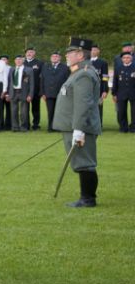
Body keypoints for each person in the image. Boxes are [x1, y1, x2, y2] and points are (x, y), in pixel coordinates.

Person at [51, 37, 102, 208]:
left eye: (70, 52)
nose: (67, 55)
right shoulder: (78, 72)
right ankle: (86, 197)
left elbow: (83, 104)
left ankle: (88, 199)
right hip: (73, 126)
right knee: (80, 162)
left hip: (81, 127)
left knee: (84, 162)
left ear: (80, 54)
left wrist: (78, 130)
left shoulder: (84, 74)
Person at [42, 51, 68, 132]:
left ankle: (59, 127)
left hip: (60, 93)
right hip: (48, 93)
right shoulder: (46, 66)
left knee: (59, 111)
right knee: (50, 111)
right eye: (53, 56)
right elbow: (42, 80)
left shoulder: (65, 67)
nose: (54, 58)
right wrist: (42, 93)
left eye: (56, 56)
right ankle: (50, 127)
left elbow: (67, 81)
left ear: (60, 58)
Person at [6, 54, 35, 131]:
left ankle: (24, 127)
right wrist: (8, 94)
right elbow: (9, 82)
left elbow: (32, 83)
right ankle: (15, 127)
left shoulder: (29, 70)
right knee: (13, 111)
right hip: (13, 92)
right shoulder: (12, 69)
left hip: (23, 92)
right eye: (17, 60)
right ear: (15, 61)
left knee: (24, 111)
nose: (18, 61)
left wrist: (30, 95)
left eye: (20, 59)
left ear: (23, 60)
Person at [112, 50, 134, 133]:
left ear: (131, 58)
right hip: (121, 93)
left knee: (134, 112)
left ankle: (133, 128)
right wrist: (114, 93)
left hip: (133, 93)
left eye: (128, 57)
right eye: (124, 58)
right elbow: (115, 81)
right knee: (121, 111)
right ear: (122, 59)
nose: (126, 59)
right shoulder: (118, 68)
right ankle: (123, 128)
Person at [23, 48, 44, 129]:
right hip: (25, 90)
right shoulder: (22, 62)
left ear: (34, 53)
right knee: (25, 108)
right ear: (25, 54)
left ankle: (36, 124)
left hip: (35, 89)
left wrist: (41, 90)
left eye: (31, 52)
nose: (29, 53)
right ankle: (26, 124)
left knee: (35, 108)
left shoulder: (39, 63)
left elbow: (42, 77)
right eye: (28, 52)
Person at [89, 44, 109, 123]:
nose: (93, 51)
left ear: (98, 51)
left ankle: (98, 125)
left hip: (99, 89)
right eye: (91, 50)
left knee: (98, 108)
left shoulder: (103, 62)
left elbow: (105, 77)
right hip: (86, 89)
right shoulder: (85, 62)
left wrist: (105, 90)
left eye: (95, 50)